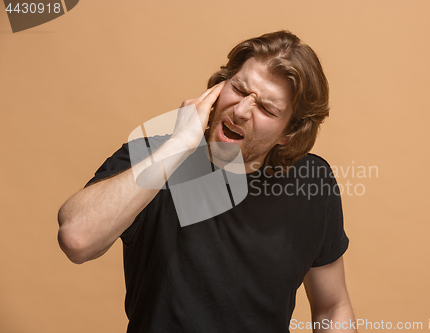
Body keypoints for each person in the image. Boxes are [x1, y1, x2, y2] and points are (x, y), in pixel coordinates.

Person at [58, 30, 357, 333]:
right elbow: (76, 239)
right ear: (217, 87)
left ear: (288, 133)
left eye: (266, 108)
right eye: (238, 89)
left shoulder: (311, 181)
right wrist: (180, 144)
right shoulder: (155, 158)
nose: (240, 111)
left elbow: (333, 305)